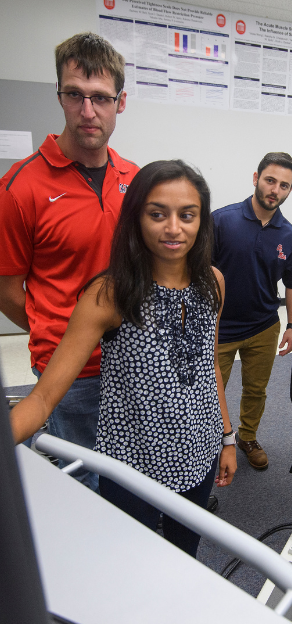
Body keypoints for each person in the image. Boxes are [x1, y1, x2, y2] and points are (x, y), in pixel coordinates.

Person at [11, 160, 237, 558]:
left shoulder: (212, 283)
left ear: (202, 220)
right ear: (136, 218)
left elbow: (209, 366)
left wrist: (227, 436)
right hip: (133, 466)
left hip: (198, 453)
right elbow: (44, 398)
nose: (173, 228)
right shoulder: (110, 293)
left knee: (185, 558)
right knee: (132, 561)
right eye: (157, 214)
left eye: (187, 215)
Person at [0, 32, 137, 491]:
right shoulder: (21, 186)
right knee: (82, 486)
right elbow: (7, 291)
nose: (87, 111)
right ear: (59, 94)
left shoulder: (134, 179)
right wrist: (62, 333)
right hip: (69, 372)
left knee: (127, 478)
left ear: (120, 102)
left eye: (100, 98)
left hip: (132, 362)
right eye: (74, 94)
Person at [211, 152, 292, 470]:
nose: (275, 189)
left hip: (263, 327)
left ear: (290, 190)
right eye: (270, 180)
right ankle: (211, 440)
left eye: (284, 185)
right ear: (256, 178)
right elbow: (198, 272)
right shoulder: (222, 221)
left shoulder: (290, 237)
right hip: (219, 327)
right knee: (210, 390)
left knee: (256, 389)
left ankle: (247, 437)